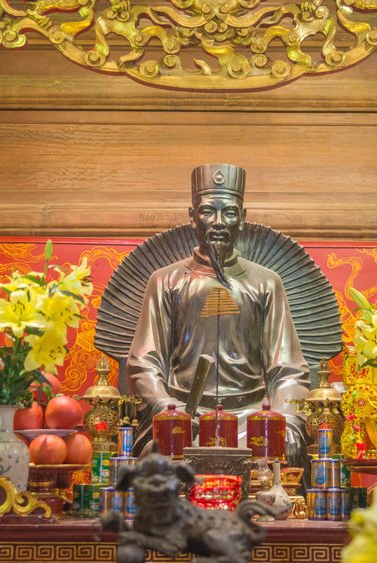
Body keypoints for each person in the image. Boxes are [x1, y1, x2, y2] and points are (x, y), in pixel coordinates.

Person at [127, 164, 311, 467]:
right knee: (159, 464)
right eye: (208, 211)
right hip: (185, 417)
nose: (218, 222)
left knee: (275, 460)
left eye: (229, 212)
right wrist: (167, 408)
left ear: (243, 217)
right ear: (191, 216)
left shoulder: (266, 282)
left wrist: (286, 421)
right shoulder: (166, 281)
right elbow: (144, 362)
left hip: (251, 421)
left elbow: (288, 368)